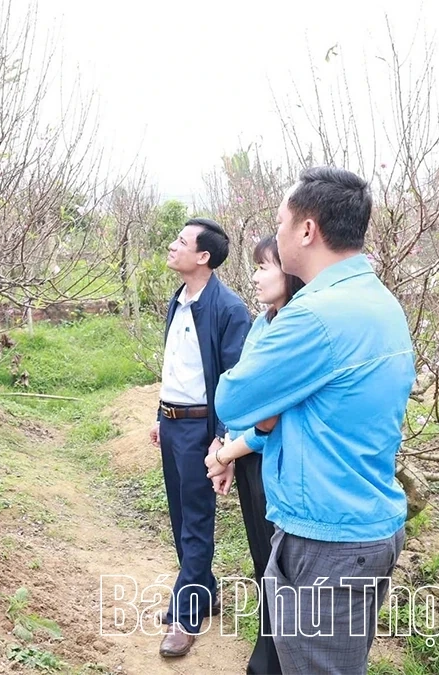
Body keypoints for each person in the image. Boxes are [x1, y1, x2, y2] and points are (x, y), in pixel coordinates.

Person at [214, 166, 415, 675]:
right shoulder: (378, 301)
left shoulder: (315, 315)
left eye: (280, 222)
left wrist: (267, 413)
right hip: (359, 526)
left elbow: (233, 401)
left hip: (327, 541)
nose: (277, 233)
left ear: (307, 230)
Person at [149, 217, 251, 657]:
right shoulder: (179, 300)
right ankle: (202, 590)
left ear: (203, 256)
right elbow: (177, 366)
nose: (172, 246)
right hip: (173, 422)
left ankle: (187, 615)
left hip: (200, 429)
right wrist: (160, 415)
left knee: (195, 520)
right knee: (179, 514)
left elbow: (234, 379)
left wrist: (222, 438)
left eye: (181, 241)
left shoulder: (228, 309)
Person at [204, 235, 304, 675]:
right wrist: (227, 450)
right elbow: (245, 397)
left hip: (273, 461)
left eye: (265, 267)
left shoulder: (295, 329)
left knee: (279, 567)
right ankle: (269, 655)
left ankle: (275, 661)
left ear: (292, 272)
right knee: (263, 561)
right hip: (248, 459)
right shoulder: (264, 323)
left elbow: (272, 421)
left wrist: (227, 452)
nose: (256, 276)